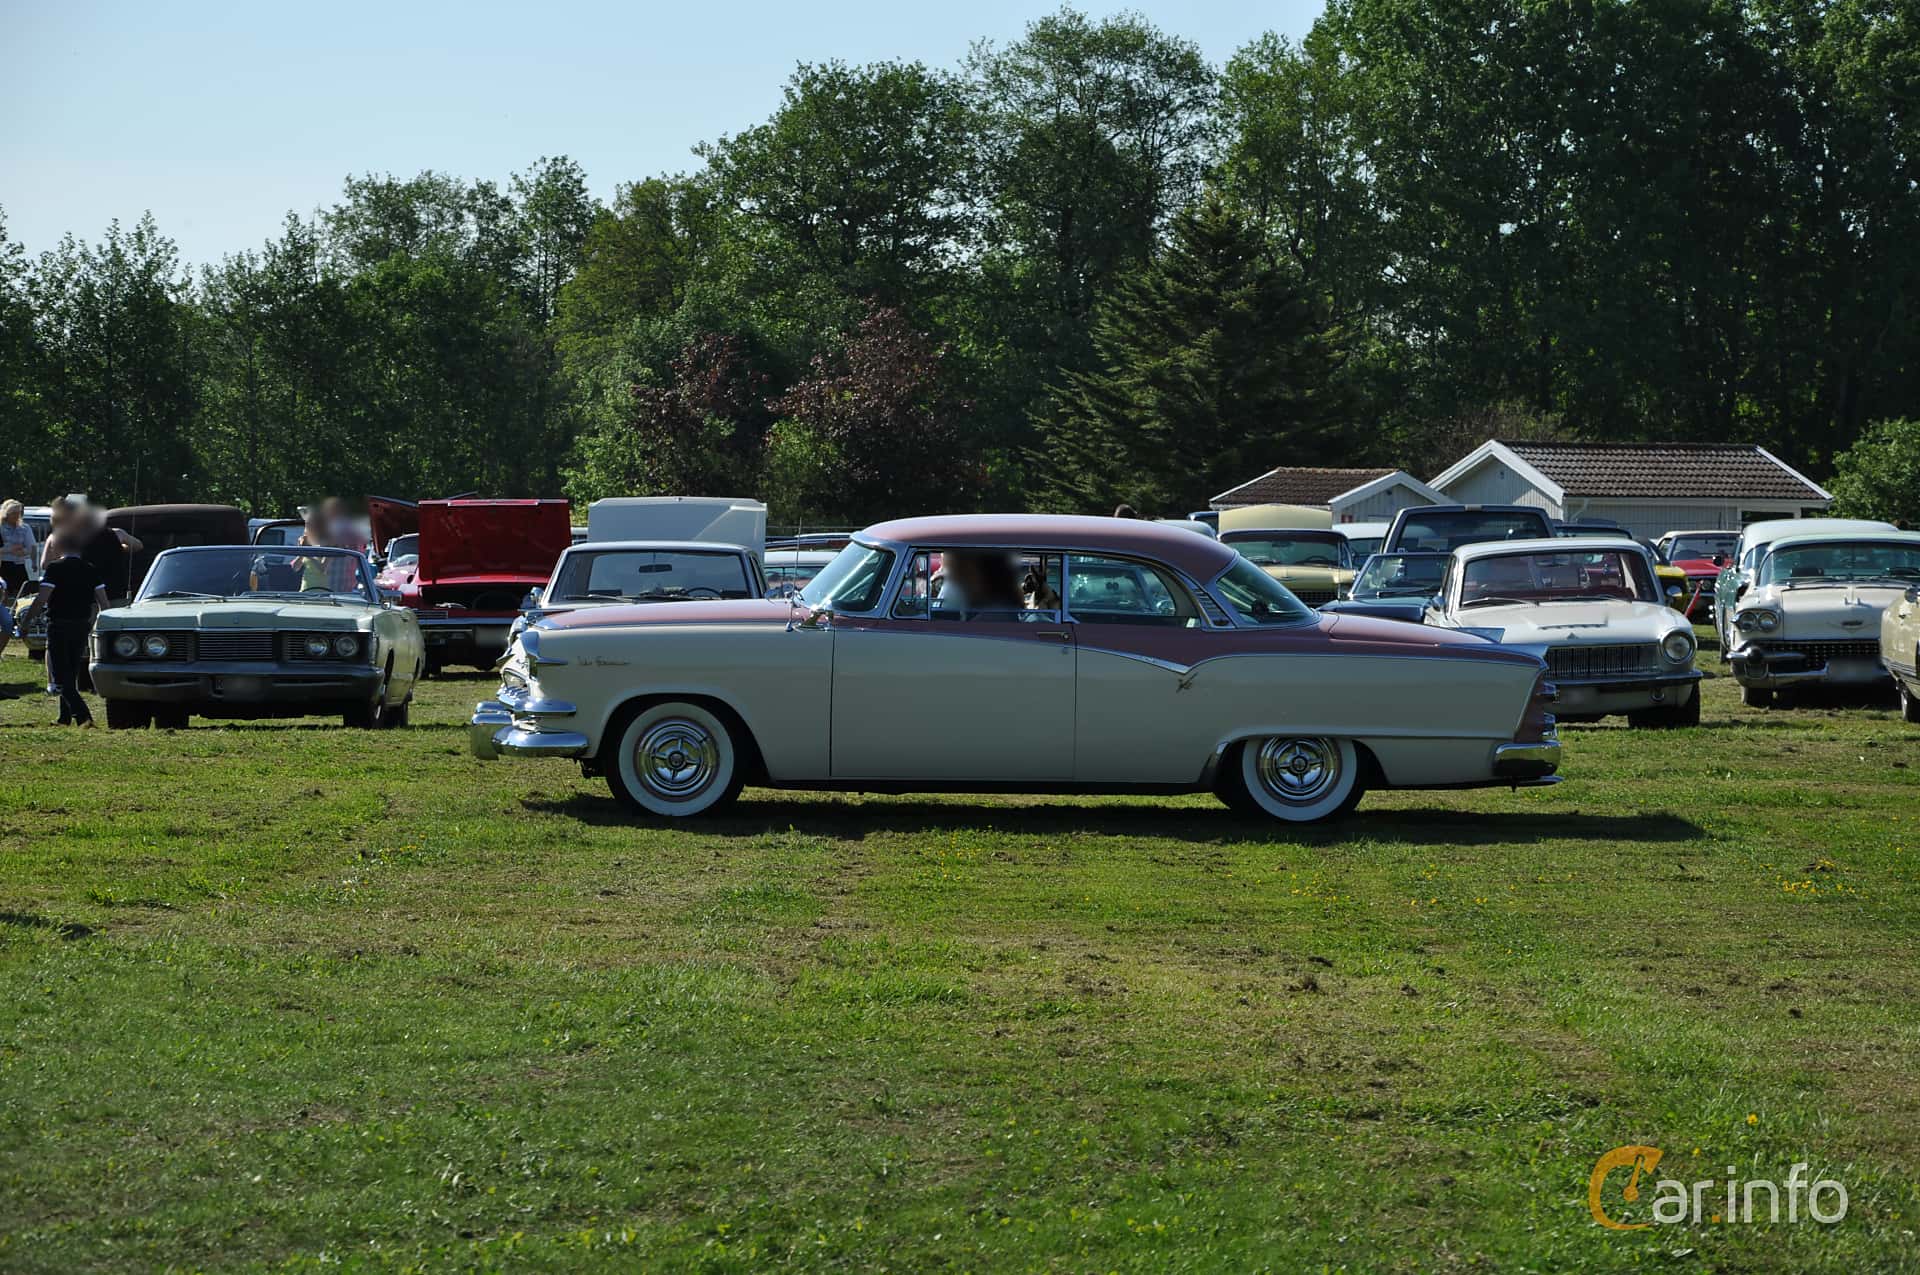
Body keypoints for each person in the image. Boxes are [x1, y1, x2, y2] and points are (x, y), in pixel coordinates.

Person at [20, 543, 109, 727]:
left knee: (60, 677)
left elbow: (41, 599)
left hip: (59, 624)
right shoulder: (90, 569)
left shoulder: (55, 568)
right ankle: (64, 717)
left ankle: (84, 717)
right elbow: (104, 603)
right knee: (71, 673)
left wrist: (26, 622)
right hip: (81, 626)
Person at [0, 500, 36, 599]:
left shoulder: (25, 527)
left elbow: (31, 546)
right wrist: (10, 549)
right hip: (3, 565)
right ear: (6, 513)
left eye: (19, 513)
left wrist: (23, 552)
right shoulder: (1, 527)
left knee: (22, 595)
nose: (17, 515)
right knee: (4, 595)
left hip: (19, 566)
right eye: (14, 513)